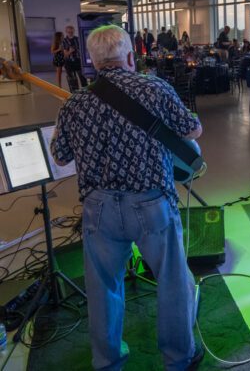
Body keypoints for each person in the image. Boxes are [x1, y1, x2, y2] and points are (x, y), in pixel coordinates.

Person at [50, 25, 203, 371]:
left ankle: (107, 362)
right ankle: (179, 359)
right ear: (131, 56)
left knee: (103, 288)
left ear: (92, 61)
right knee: (172, 281)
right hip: (152, 203)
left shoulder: (74, 103)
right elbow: (192, 130)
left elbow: (59, 157)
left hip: (99, 207)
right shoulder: (155, 88)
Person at [63, 25, 88, 91]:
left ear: (73, 31)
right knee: (72, 79)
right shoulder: (64, 41)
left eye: (71, 31)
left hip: (78, 61)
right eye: (68, 31)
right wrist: (70, 51)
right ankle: (74, 93)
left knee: (82, 77)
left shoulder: (78, 39)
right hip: (69, 62)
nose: (70, 32)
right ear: (66, 32)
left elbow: (84, 50)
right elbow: (65, 54)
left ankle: (85, 91)